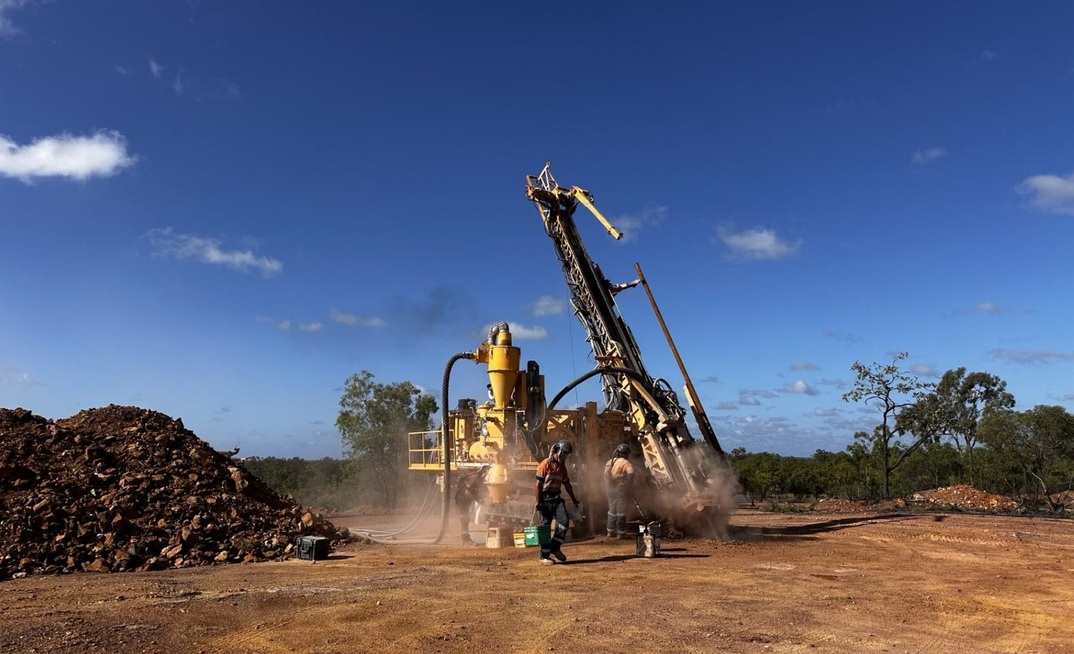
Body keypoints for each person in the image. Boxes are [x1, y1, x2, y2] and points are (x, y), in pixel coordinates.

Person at [534, 440, 581, 564]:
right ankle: (544, 556)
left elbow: (567, 484)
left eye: (567, 454)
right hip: (545, 500)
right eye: (564, 453)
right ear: (558, 450)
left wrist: (574, 499)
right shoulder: (545, 464)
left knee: (564, 522)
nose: (565, 456)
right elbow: (538, 485)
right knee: (546, 527)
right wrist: (538, 502)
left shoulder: (562, 468)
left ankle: (555, 547)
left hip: (556, 499)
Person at [604, 443, 635, 539]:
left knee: (612, 511)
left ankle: (610, 532)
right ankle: (621, 533)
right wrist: (626, 486)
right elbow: (631, 474)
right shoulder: (625, 463)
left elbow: (605, 476)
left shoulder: (609, 462)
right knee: (621, 512)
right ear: (625, 454)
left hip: (610, 490)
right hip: (620, 490)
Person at [455, 465, 489, 545]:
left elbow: (473, 491)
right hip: (462, 499)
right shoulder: (475, 478)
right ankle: (465, 539)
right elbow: (467, 492)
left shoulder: (477, 478)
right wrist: (477, 499)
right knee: (464, 518)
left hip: (464, 499)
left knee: (465, 518)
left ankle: (466, 538)